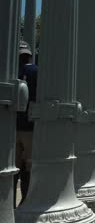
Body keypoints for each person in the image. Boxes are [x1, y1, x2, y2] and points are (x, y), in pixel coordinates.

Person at [14, 41, 38, 207]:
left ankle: (8, 202)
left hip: (12, 126)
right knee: (29, 165)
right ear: (30, 55)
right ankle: (25, 201)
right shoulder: (37, 72)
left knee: (13, 165)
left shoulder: (13, 71)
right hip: (30, 126)